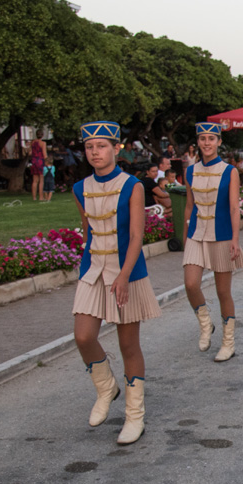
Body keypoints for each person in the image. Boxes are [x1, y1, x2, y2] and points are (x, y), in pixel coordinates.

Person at [71, 121, 161, 446]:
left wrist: (123, 275)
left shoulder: (132, 185)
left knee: (128, 346)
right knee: (83, 337)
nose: (95, 152)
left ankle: (134, 415)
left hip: (127, 273)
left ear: (116, 148)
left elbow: (137, 234)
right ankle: (106, 387)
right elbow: (88, 231)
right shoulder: (79, 188)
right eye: (90, 147)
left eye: (102, 146)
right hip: (93, 269)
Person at [182, 121, 243, 363]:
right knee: (190, 284)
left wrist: (235, 239)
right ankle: (205, 324)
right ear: (197, 142)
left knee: (222, 291)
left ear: (219, 142)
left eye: (211, 139)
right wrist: (184, 238)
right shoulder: (190, 171)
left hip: (221, 235)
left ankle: (228, 343)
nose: (206, 143)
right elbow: (189, 206)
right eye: (202, 139)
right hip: (196, 234)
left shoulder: (230, 171)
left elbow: (233, 207)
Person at [29, 136, 48, 202]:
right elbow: (45, 154)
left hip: (34, 161)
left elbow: (30, 153)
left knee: (34, 181)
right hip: (40, 161)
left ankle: (34, 197)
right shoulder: (43, 143)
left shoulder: (33, 143)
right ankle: (41, 197)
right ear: (42, 135)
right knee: (41, 180)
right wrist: (47, 162)